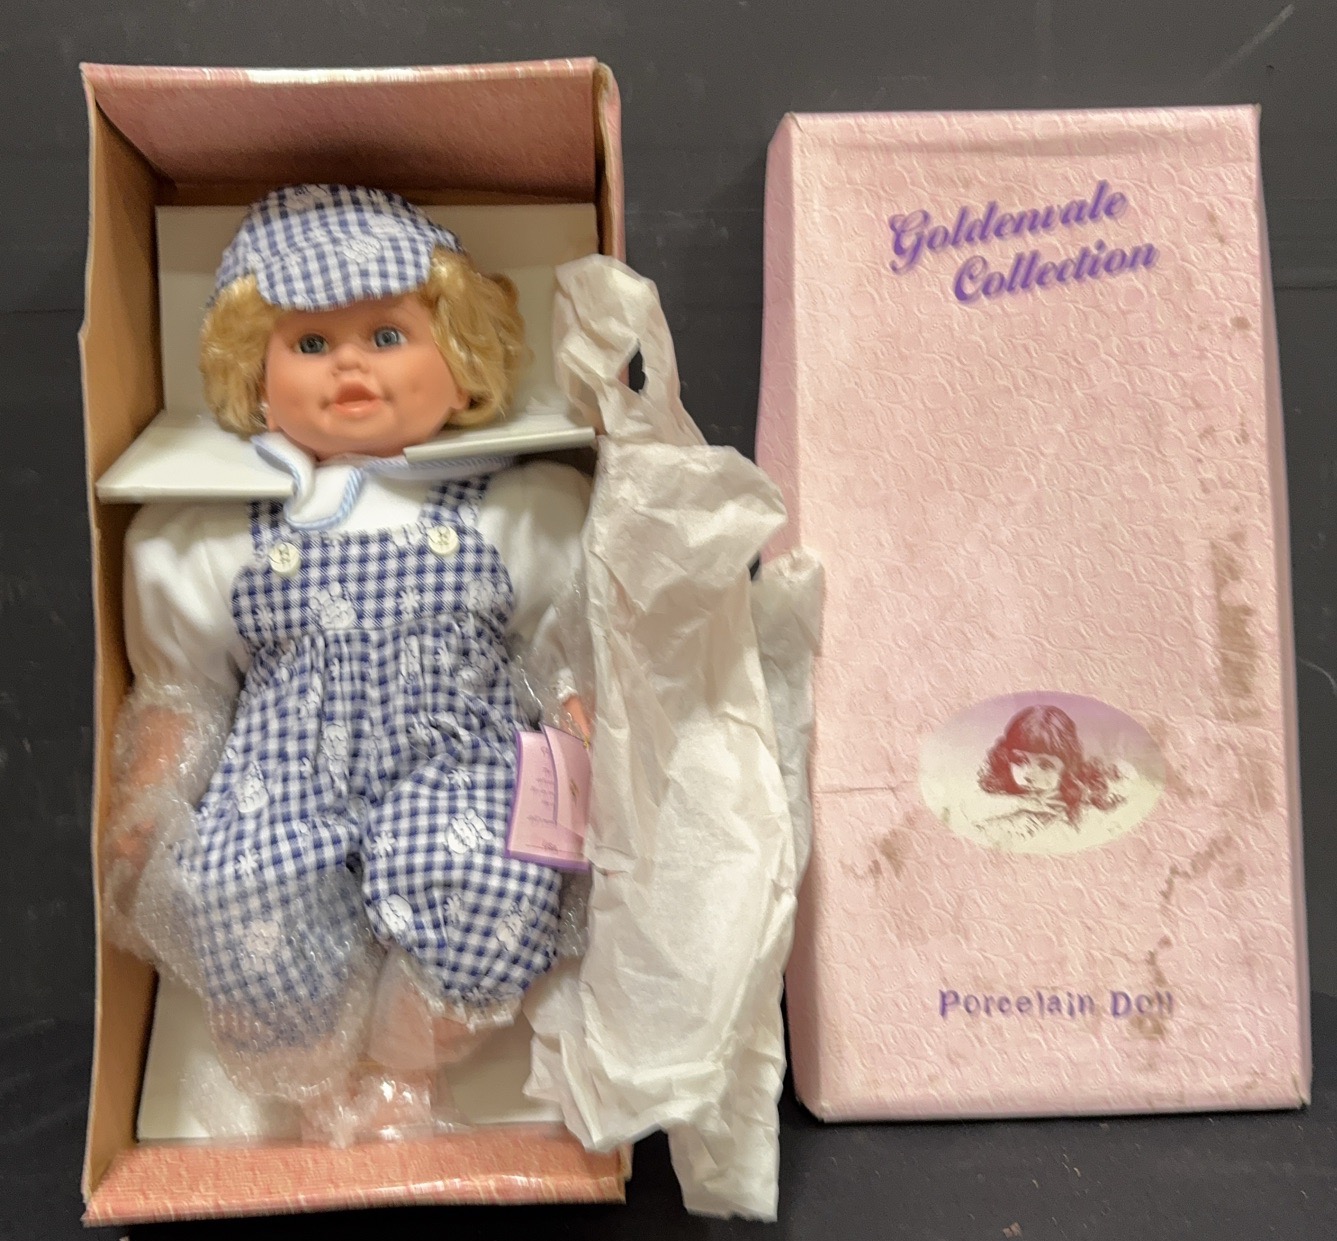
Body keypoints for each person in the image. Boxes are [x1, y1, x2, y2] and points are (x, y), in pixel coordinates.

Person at [103, 184, 590, 1134]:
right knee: (236, 883)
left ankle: (408, 1057)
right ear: (256, 378)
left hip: (462, 749)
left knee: (496, 863)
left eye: (388, 335)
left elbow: (561, 647)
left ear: (463, 364)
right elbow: (186, 687)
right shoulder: (206, 531)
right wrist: (148, 793)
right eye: (311, 343)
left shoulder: (521, 507)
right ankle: (316, 1081)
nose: (350, 364)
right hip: (283, 764)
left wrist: (580, 722)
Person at [976, 704, 1123, 841]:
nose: (1028, 775)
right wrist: (1020, 805)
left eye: (1045, 766)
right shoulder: (999, 806)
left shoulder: (1081, 811)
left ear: (1067, 768)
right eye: (1019, 761)